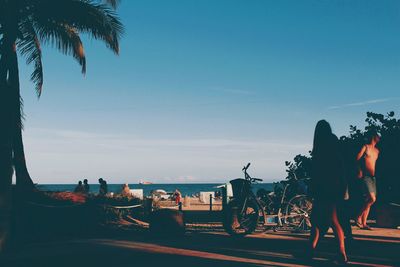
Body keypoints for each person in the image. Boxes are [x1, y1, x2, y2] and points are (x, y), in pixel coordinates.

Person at [308, 120, 348, 263]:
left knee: (331, 220)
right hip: (333, 186)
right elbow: (340, 164)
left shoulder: (322, 144)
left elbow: (318, 169)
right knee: (319, 220)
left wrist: (311, 188)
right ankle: (310, 251)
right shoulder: (333, 141)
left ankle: (342, 253)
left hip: (325, 186)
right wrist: (343, 187)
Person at [356, 131, 380, 230]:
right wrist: (359, 170)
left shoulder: (377, 151)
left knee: (368, 201)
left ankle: (364, 224)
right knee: (372, 199)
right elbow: (357, 159)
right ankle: (358, 216)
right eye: (378, 136)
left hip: (373, 177)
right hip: (365, 176)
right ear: (374, 137)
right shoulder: (365, 147)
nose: (379, 138)